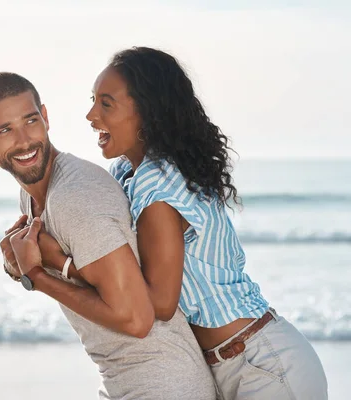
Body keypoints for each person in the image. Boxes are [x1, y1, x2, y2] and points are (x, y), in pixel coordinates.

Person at [38, 46, 328, 400]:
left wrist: (59, 266)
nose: (91, 114)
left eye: (106, 104)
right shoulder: (129, 173)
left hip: (263, 366)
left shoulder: (156, 184)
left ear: (145, 112)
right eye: (93, 100)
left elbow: (158, 303)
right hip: (235, 364)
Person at [0, 72, 216, 399]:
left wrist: (35, 275)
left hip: (163, 384)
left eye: (30, 121)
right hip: (129, 381)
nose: (24, 140)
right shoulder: (33, 194)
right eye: (5, 130)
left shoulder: (76, 196)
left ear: (45, 117)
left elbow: (136, 319)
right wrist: (21, 266)